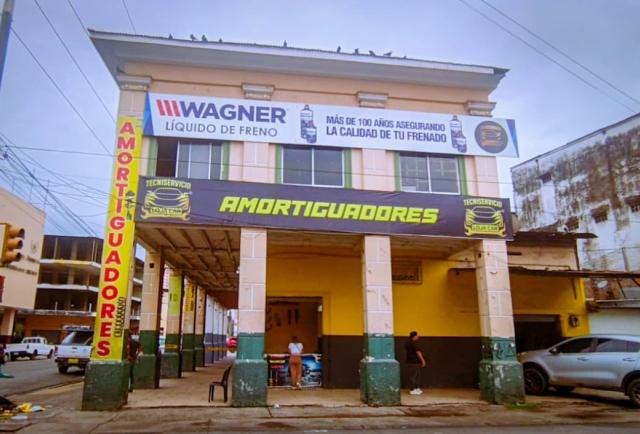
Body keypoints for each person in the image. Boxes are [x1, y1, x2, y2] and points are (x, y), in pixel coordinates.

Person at [404, 331, 426, 395]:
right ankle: (412, 390)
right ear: (414, 336)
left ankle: (416, 388)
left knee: (415, 375)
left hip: (410, 361)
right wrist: (423, 360)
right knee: (413, 376)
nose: (418, 337)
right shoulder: (413, 343)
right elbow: (418, 352)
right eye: (417, 335)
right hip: (414, 362)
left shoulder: (407, 343)